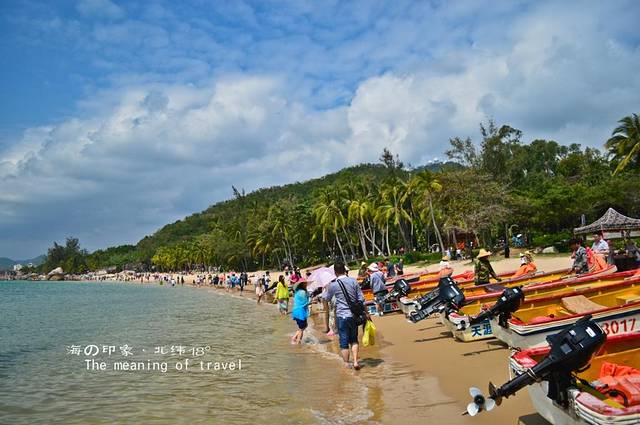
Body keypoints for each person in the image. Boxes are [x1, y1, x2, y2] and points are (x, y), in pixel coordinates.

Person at [321, 261, 366, 370]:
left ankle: (346, 364)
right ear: (345, 270)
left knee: (344, 342)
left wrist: (326, 288)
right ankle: (355, 362)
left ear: (335, 272)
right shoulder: (353, 281)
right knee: (354, 340)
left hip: (342, 316)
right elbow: (361, 298)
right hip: (354, 315)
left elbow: (326, 298)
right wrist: (366, 312)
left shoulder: (333, 285)